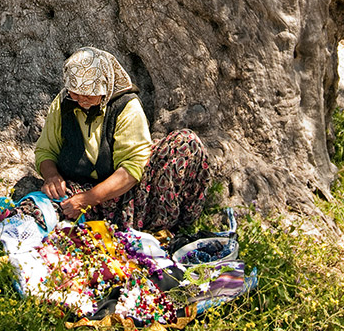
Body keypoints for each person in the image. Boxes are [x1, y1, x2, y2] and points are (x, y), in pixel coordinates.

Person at [34, 46, 211, 235]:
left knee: (186, 143)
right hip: (79, 188)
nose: (81, 101)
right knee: (36, 211)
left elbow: (132, 168)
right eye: (76, 94)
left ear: (105, 88)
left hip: (128, 194)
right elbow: (46, 151)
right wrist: (52, 175)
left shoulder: (126, 106)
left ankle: (161, 230)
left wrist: (87, 200)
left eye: (89, 95)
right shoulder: (63, 103)